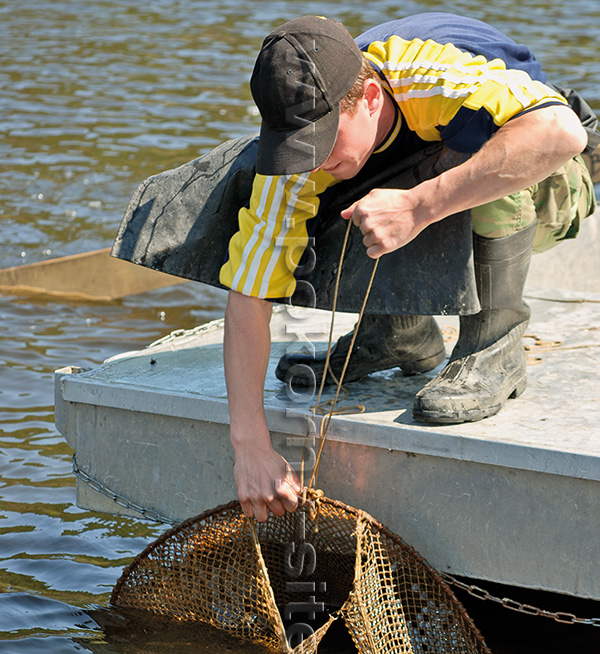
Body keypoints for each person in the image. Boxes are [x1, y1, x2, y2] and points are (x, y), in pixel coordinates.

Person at [214, 13, 596, 522]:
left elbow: (561, 134)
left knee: (473, 151)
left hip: (552, 178)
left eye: (328, 137)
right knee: (310, 200)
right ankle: (398, 332)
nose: (313, 156)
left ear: (370, 97)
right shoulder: (302, 154)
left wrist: (419, 205)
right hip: (425, 170)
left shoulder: (431, 77)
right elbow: (249, 293)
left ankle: (494, 341)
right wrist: (249, 443)